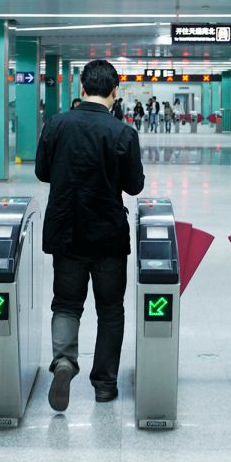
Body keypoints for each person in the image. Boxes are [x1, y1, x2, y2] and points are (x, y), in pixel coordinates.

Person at [36, 60, 145, 412]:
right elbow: (135, 185)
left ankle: (64, 362)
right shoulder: (123, 133)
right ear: (115, 91)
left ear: (81, 88)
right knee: (110, 310)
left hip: (66, 231)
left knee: (67, 304)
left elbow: (42, 172)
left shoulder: (56, 124)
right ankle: (104, 385)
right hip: (108, 235)